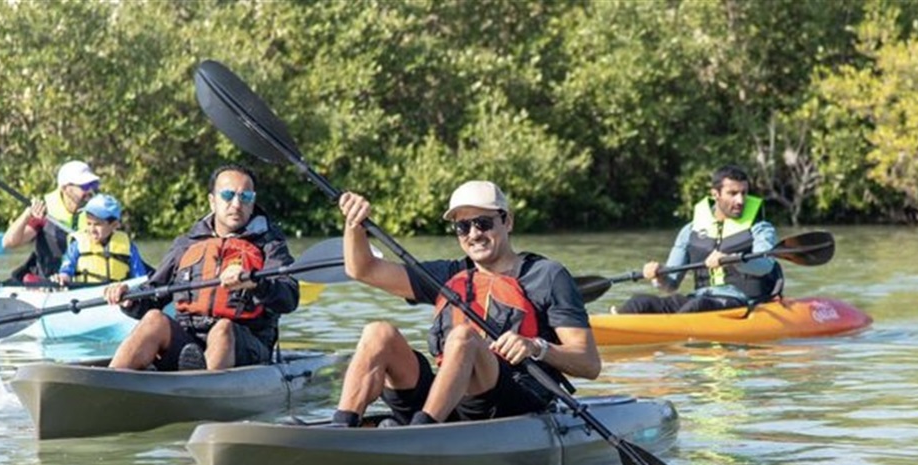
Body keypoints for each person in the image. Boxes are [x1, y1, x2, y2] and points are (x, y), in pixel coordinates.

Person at [330, 180, 600, 428]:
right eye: (463, 227)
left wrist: (536, 347)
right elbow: (363, 269)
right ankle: (341, 427)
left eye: (483, 223)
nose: (473, 234)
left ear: (507, 222)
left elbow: (589, 364)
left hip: (512, 400)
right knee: (378, 333)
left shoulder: (547, 276)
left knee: (462, 338)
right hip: (452, 400)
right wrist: (355, 224)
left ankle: (422, 433)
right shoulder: (448, 275)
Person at [103, 164, 299, 371]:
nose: (236, 204)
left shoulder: (270, 245)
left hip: (245, 345)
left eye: (245, 197)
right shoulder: (186, 243)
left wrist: (255, 283)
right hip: (189, 341)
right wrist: (129, 298)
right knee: (154, 319)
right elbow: (153, 295)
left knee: (223, 328)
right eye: (228, 195)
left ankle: (199, 388)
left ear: (253, 203)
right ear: (212, 201)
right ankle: (107, 383)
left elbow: (289, 298)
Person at [617, 164, 783, 315]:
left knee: (697, 306)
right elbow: (671, 284)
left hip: (742, 302)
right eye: (732, 193)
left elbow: (765, 266)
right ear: (715, 194)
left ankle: (673, 341)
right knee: (639, 303)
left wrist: (732, 260)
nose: (740, 200)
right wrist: (659, 276)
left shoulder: (760, 229)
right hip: (701, 297)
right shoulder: (690, 231)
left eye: (744, 193)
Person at [2, 160, 100, 283]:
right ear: (66, 188)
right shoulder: (45, 213)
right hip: (48, 283)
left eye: (93, 184)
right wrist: (27, 215)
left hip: (82, 283)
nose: (91, 191)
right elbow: (8, 243)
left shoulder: (99, 212)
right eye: (84, 186)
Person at [51, 193, 150, 285]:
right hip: (84, 296)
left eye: (97, 224)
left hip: (116, 298)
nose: (92, 229)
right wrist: (63, 277)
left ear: (114, 225)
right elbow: (66, 270)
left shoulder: (127, 247)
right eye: (89, 223)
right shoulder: (78, 244)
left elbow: (139, 278)